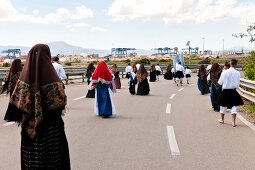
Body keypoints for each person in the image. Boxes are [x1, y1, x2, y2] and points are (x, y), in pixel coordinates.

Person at [5, 44, 70, 169]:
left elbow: (16, 108)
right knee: (53, 161)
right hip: (52, 130)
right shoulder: (54, 79)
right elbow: (61, 103)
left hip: (30, 132)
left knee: (32, 161)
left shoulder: (22, 81)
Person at [218, 59, 244, 127]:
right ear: (236, 64)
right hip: (233, 91)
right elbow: (238, 84)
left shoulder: (224, 72)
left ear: (230, 64)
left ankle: (222, 119)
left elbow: (220, 82)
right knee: (234, 106)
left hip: (225, 90)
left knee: (223, 105)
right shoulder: (237, 73)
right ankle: (233, 122)